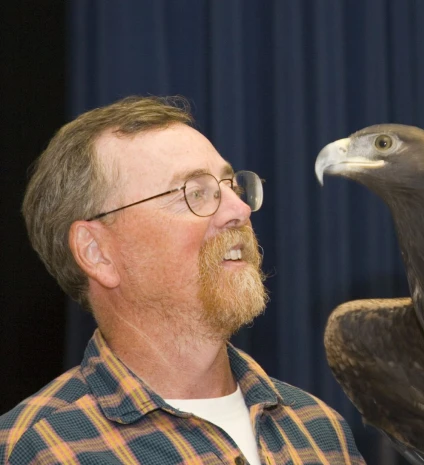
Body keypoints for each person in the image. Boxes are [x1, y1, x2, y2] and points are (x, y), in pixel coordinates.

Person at [0, 96, 366, 465]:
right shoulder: (38, 449)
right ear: (97, 252)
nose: (239, 210)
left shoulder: (320, 431)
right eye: (194, 193)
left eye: (231, 186)